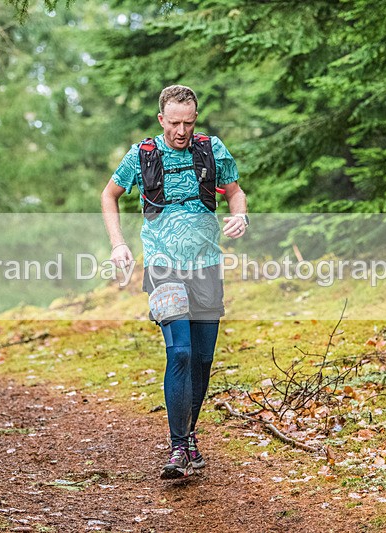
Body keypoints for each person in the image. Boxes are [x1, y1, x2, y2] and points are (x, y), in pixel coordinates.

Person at [101, 85, 247, 479]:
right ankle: (179, 446)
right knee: (180, 352)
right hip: (163, 267)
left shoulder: (212, 150)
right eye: (174, 123)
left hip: (206, 268)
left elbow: (235, 192)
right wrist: (118, 244)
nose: (181, 131)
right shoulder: (142, 155)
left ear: (195, 119)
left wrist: (240, 215)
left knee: (202, 359)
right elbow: (109, 195)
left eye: (189, 123)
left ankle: (189, 433)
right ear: (161, 119)